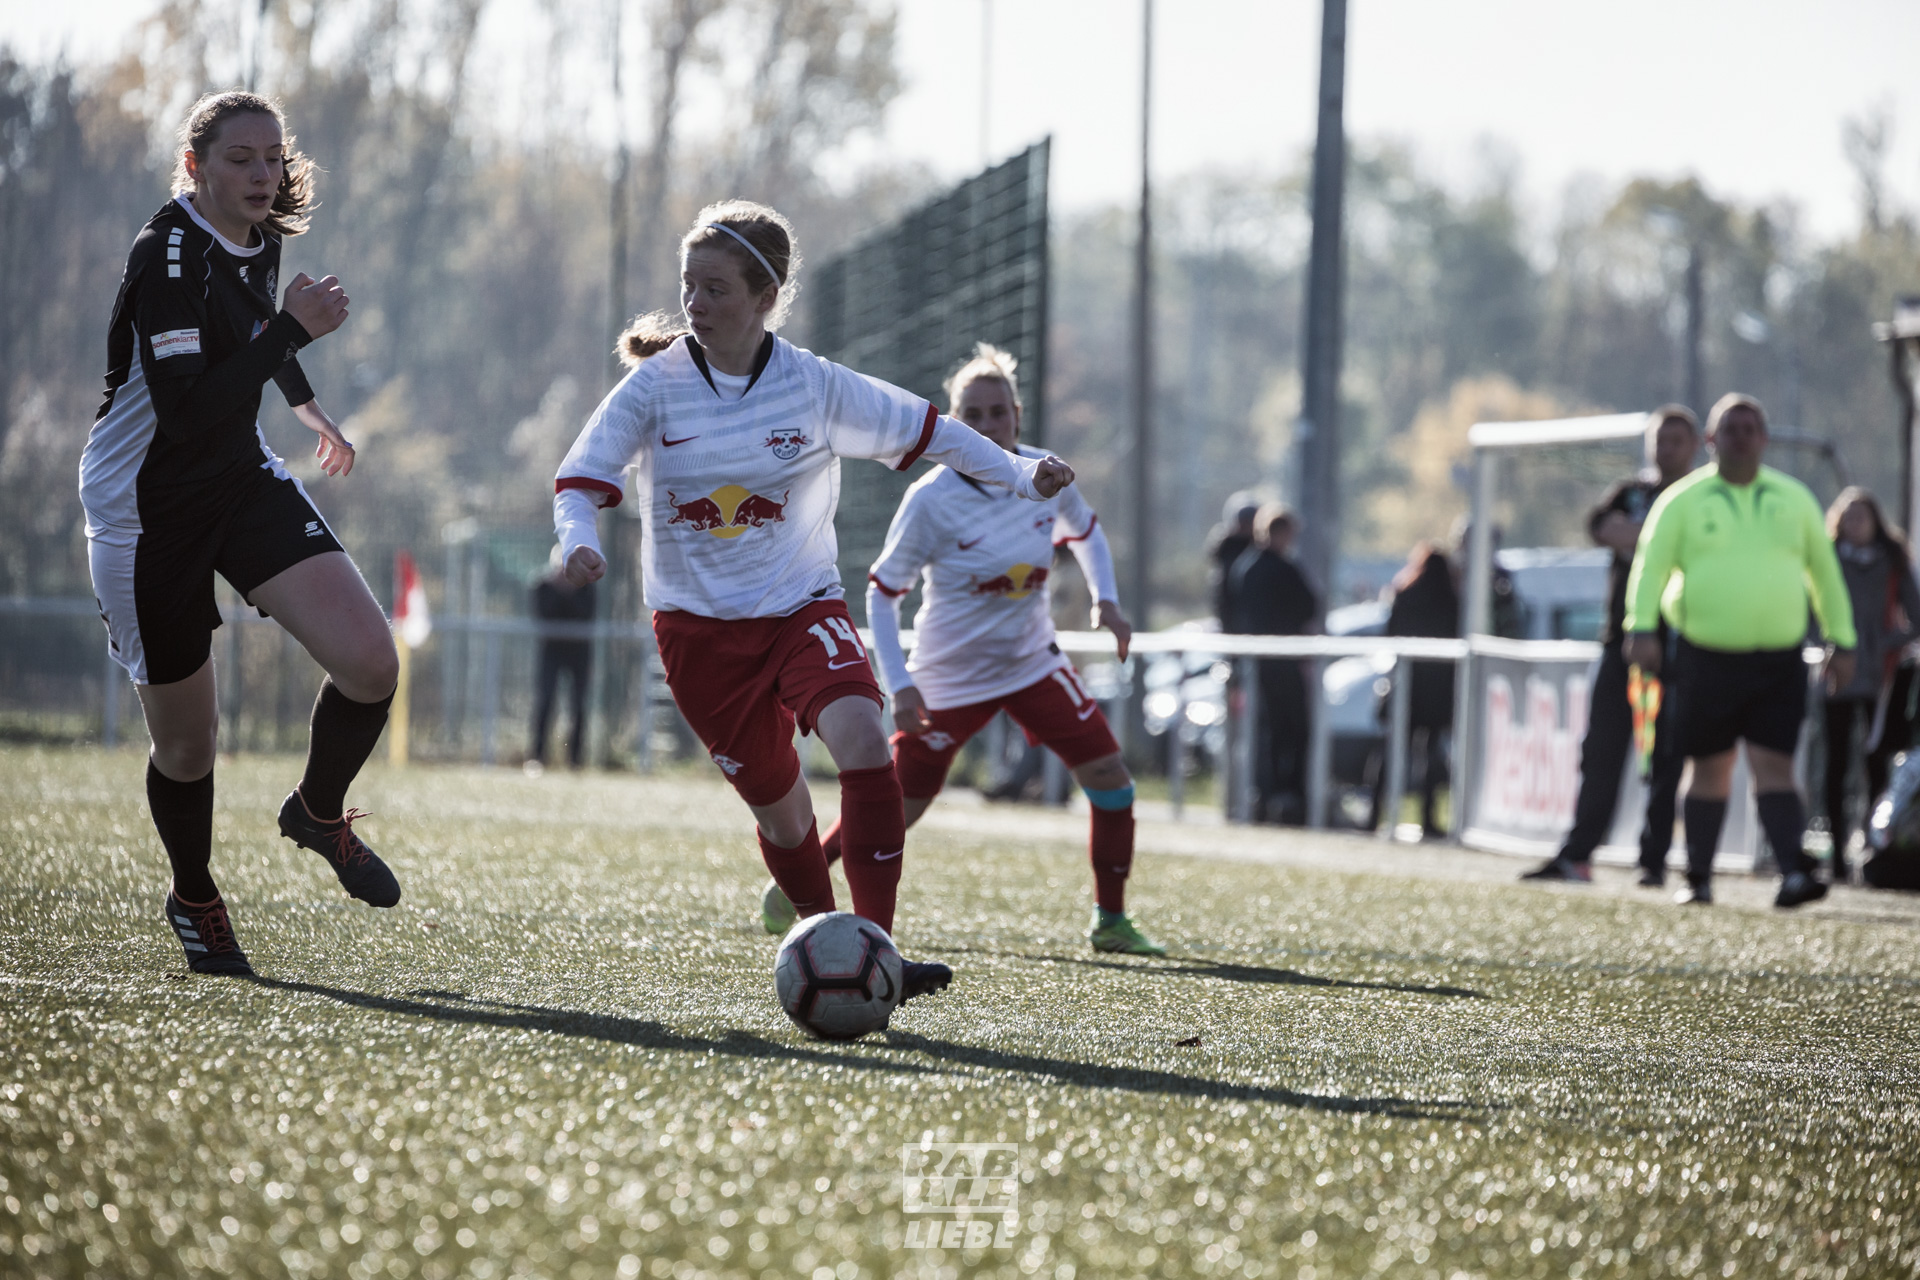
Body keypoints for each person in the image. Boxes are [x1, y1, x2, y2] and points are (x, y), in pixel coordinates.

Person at [553, 202, 1076, 1008]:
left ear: (766, 298)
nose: (694, 304)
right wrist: (576, 539)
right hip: (698, 635)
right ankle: (824, 940)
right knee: (786, 819)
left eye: (716, 289)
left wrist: (1019, 474)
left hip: (802, 607)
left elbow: (934, 432)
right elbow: (579, 479)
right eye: (689, 286)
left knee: (866, 741)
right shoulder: (654, 387)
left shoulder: (815, 384)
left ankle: (880, 956)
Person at [81, 91, 402, 977]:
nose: (263, 175)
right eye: (240, 159)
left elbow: (254, 336)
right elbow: (184, 412)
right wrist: (294, 329)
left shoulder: (260, 236)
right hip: (146, 509)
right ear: (195, 167)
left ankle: (318, 813)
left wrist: (309, 408)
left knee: (371, 663)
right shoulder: (166, 254)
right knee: (189, 746)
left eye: (273, 158)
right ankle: (194, 896)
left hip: (237, 477)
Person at [757, 345, 1164, 954]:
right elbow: (882, 593)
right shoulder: (931, 498)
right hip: (949, 677)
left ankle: (1110, 921)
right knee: (901, 804)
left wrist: (1107, 600)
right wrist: (901, 685)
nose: (988, 424)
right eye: (973, 414)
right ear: (955, 421)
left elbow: (1086, 531)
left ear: (1017, 416)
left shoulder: (1045, 476)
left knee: (1112, 780)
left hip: (1032, 663)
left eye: (999, 412)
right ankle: (800, 878)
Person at [1624, 393, 1856, 908]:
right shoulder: (1682, 501)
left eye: (1751, 429)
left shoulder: (1794, 499)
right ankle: (1698, 877)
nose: (1741, 438)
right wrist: (1640, 627)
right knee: (1710, 766)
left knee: (1775, 763)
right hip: (1706, 658)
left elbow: (1824, 575)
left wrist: (1842, 639)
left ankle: (1793, 874)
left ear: (1765, 439)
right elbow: (1649, 567)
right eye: (1730, 429)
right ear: (1711, 440)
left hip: (1778, 661)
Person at [1523, 406, 1698, 884]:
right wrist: (1656, 538)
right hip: (1620, 644)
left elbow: (1681, 547)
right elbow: (1601, 527)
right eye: (1660, 440)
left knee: (1665, 756)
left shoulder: (1700, 497)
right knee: (1601, 750)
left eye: (1677, 440)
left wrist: (1638, 538)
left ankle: (1653, 862)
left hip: (1677, 646)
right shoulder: (1632, 492)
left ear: (1695, 446)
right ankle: (1578, 853)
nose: (1667, 449)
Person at [1822, 487, 1920, 880]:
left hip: (1882, 682)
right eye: (1848, 516)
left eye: (1862, 515)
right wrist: (1824, 646)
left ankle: (1872, 846)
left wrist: (1886, 643)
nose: (1855, 522)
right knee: (1835, 763)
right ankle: (1835, 858)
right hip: (1836, 676)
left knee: (1878, 762)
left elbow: (1915, 618)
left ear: (1876, 521)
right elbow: (1809, 610)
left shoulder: (1893, 561)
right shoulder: (1826, 559)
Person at [1229, 504, 1321, 824]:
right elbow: (1308, 605)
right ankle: (1289, 797)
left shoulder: (1245, 568)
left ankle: (1263, 797)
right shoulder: (1284, 569)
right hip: (1283, 663)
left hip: (1255, 664)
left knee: (1264, 733)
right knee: (1293, 731)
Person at [1373, 543, 1459, 837]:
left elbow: (1390, 633)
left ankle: (1374, 813)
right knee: (1431, 755)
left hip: (1407, 685)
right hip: (1438, 688)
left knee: (1391, 751)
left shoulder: (1405, 594)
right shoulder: (1452, 599)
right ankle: (1429, 818)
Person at [527, 545, 597, 773]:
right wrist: (560, 591)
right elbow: (544, 614)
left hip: (579, 653)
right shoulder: (543, 586)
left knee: (578, 705)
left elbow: (585, 615)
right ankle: (537, 756)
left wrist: (572, 591)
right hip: (551, 652)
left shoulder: (587, 587)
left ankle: (575, 760)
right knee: (545, 702)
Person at [1207, 492, 1261, 631]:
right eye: (1244, 521)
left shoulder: (1261, 550)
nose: (1247, 525)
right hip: (1230, 615)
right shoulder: (1225, 548)